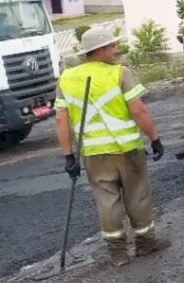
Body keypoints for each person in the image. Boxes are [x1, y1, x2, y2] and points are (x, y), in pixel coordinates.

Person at [54, 28, 170, 267]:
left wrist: (68, 156)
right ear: (99, 50)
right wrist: (154, 138)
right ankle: (145, 243)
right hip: (127, 149)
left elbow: (60, 120)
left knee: (107, 202)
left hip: (94, 154)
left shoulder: (66, 78)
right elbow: (138, 110)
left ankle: (117, 254)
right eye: (111, 47)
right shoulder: (120, 73)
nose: (115, 51)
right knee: (137, 195)